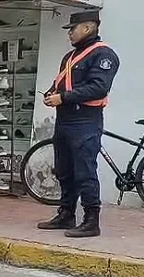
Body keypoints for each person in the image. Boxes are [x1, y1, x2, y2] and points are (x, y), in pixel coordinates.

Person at [38, 10, 119, 238]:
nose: (70, 34)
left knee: (85, 172)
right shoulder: (70, 57)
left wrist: (63, 98)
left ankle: (91, 221)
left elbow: (98, 87)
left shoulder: (103, 55)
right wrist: (51, 93)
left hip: (85, 121)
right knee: (64, 170)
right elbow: (62, 83)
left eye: (72, 29)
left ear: (88, 27)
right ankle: (66, 214)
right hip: (65, 120)